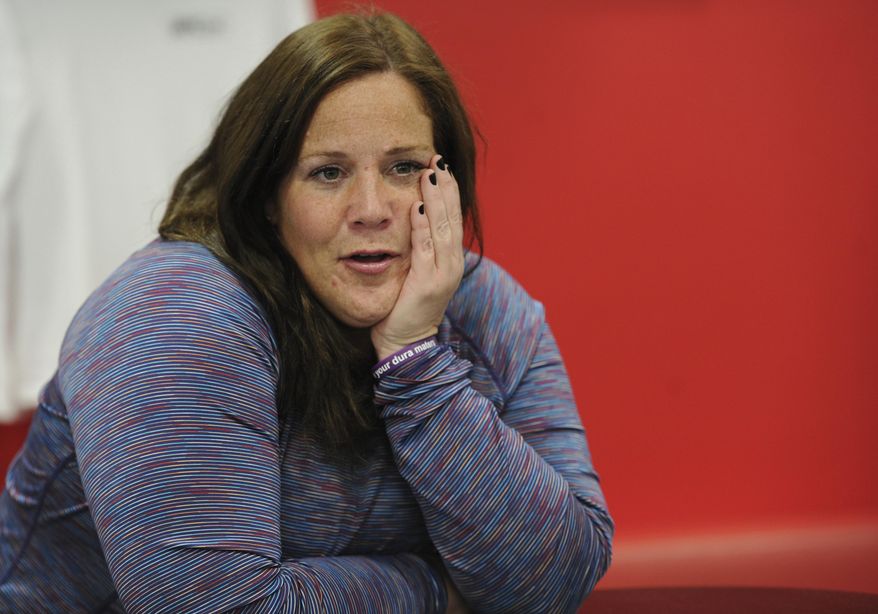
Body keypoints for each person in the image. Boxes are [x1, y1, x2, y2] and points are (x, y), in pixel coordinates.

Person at [0, 11, 613, 613]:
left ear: (445, 182)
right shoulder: (175, 309)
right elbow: (210, 605)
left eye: (404, 167)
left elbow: (554, 584)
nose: (371, 208)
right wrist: (437, 591)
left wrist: (417, 359)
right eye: (327, 173)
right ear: (268, 196)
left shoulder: (486, 308)